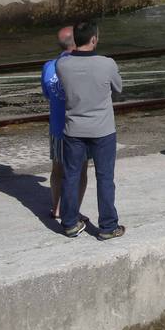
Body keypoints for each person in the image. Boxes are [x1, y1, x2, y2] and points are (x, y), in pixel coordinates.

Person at [55, 22, 124, 240]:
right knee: (105, 177)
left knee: (71, 176)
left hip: (73, 128)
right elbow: (118, 88)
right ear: (94, 39)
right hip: (102, 129)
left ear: (75, 40)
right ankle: (107, 226)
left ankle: (69, 223)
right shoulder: (107, 64)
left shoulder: (62, 65)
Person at [41, 26, 87, 221]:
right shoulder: (82, 67)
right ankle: (73, 211)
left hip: (57, 128)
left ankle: (57, 208)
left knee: (57, 169)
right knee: (80, 171)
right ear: (75, 43)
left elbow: (46, 94)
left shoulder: (49, 66)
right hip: (78, 128)